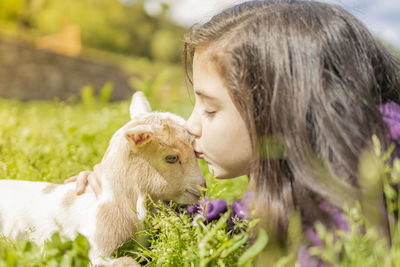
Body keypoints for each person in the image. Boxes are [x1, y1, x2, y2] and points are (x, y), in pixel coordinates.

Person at [66, 0, 400, 264]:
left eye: (209, 109)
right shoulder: (295, 171)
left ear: (281, 108)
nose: (191, 127)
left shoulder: (372, 175)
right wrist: (127, 188)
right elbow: (235, 221)